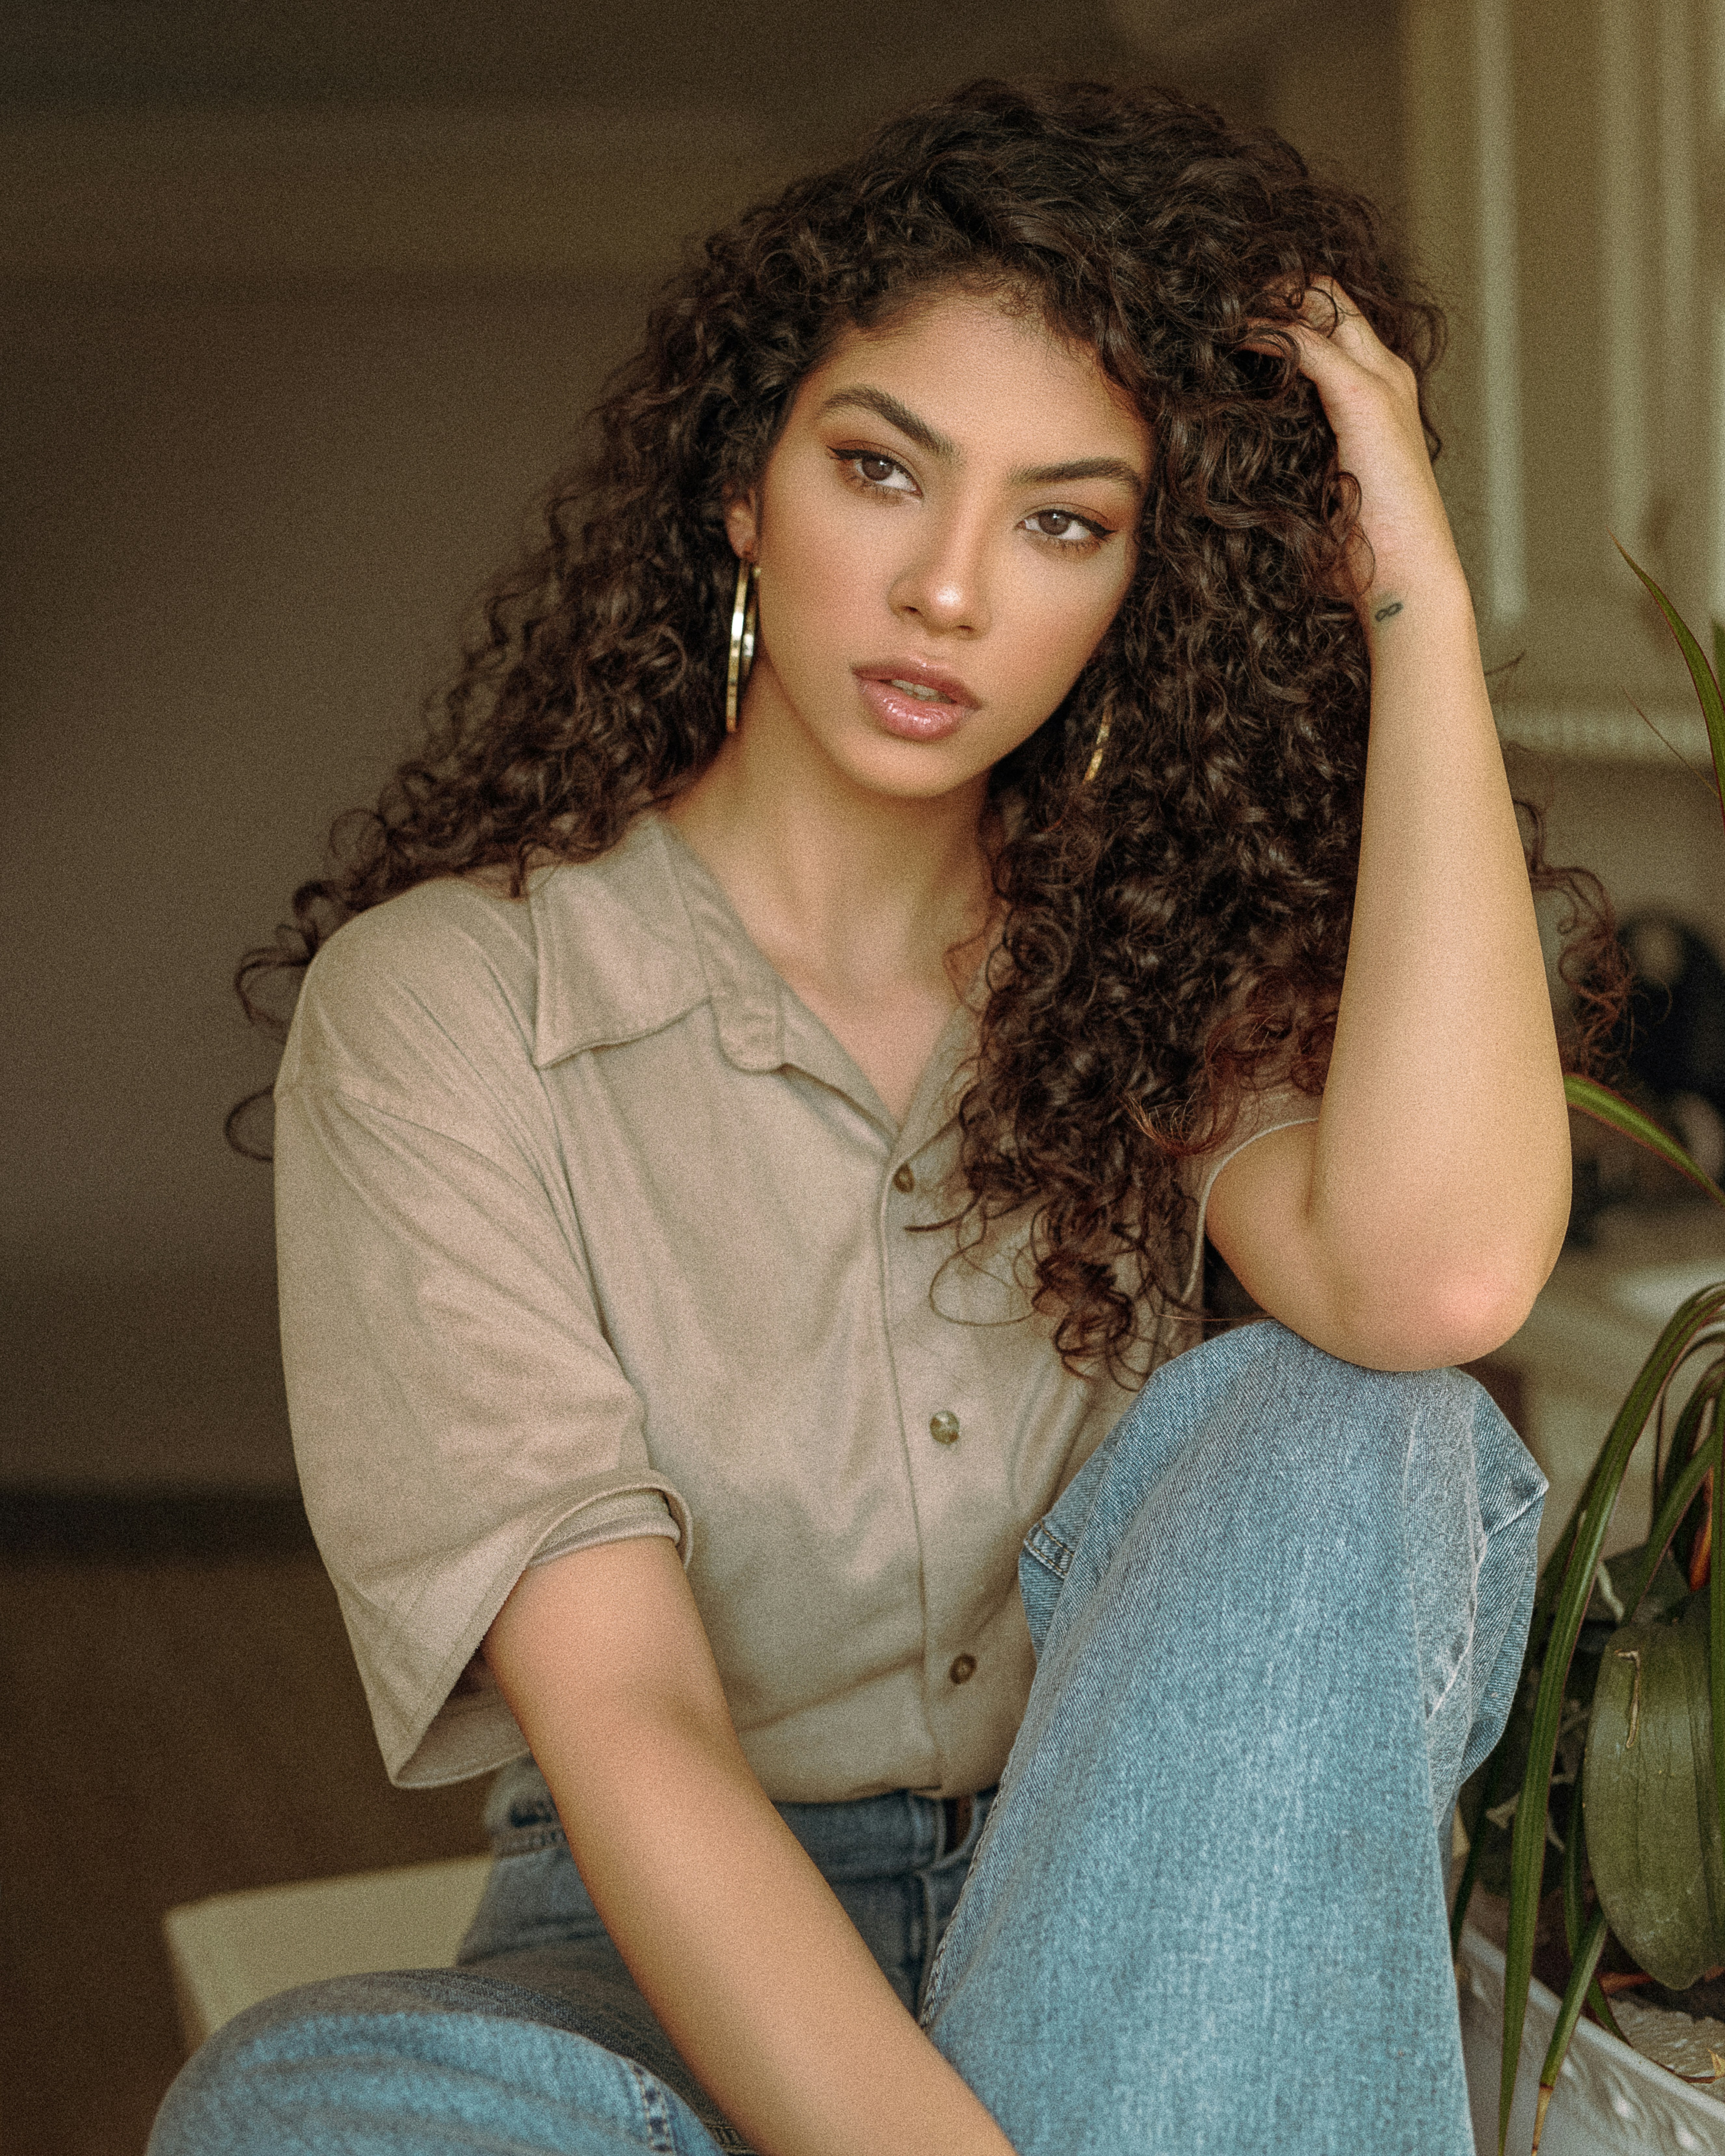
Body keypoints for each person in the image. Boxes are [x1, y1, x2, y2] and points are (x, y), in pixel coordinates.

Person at [154, 77, 1612, 2156]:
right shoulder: (459, 1008)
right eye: (877, 470)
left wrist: (1417, 604)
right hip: (669, 1946)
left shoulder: (1166, 962)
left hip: (1153, 1891)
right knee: (297, 2108)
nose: (946, 590)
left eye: (1062, 521)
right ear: (744, 483)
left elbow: (1438, 1274)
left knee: (1348, 1415)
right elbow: (634, 1721)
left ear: (1145, 583)